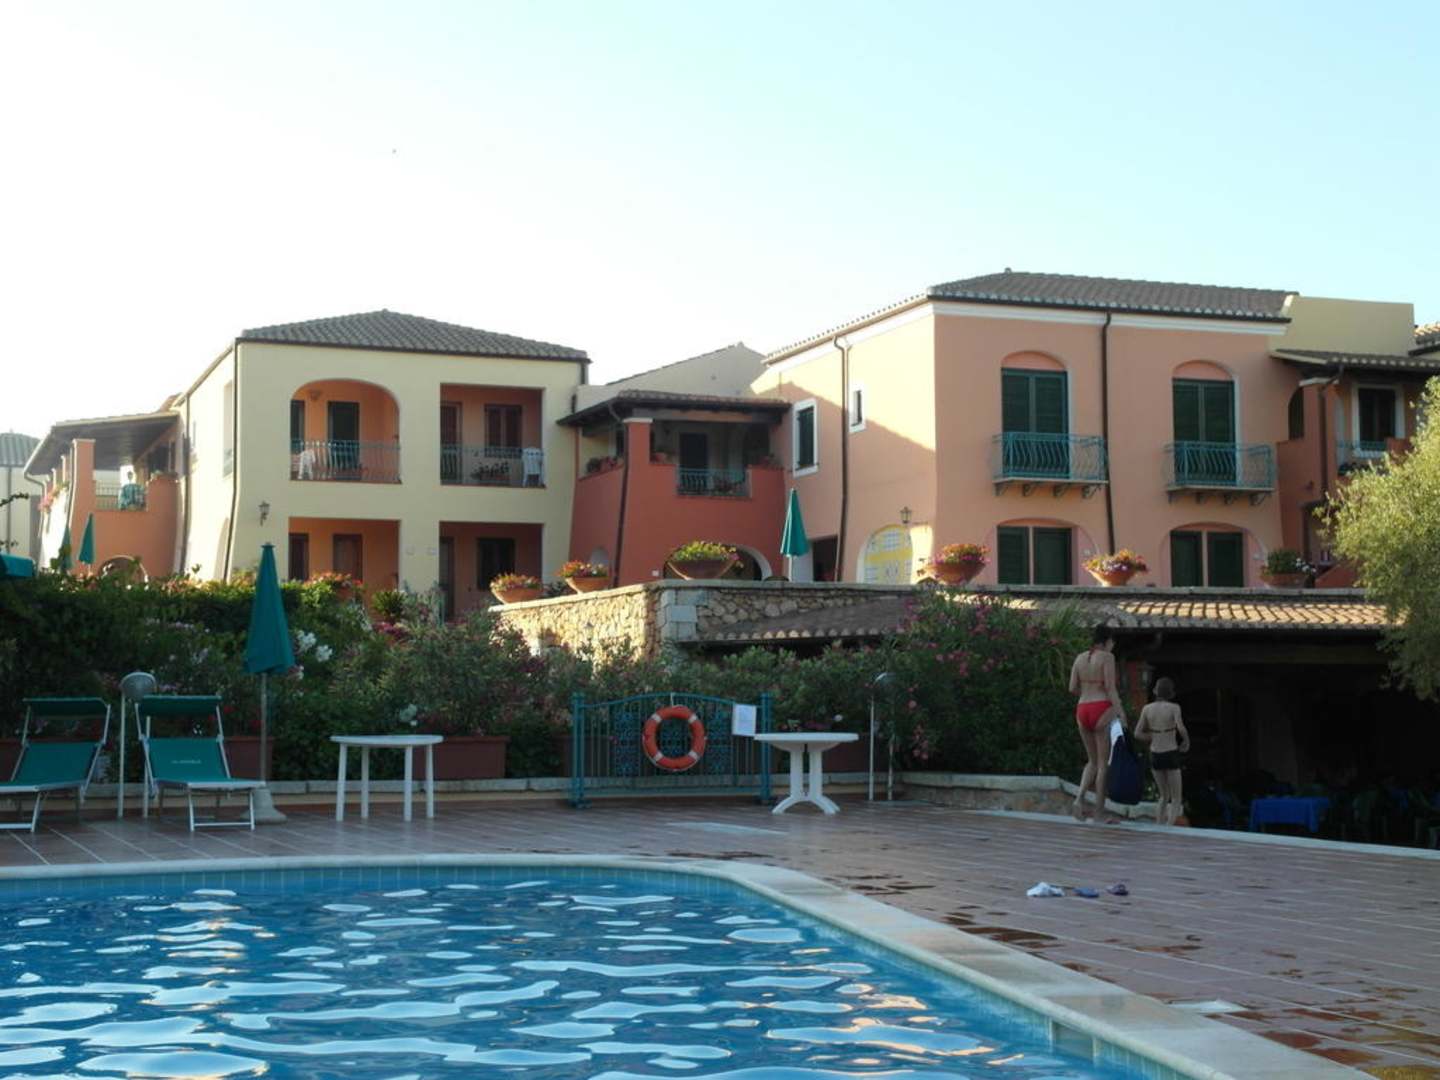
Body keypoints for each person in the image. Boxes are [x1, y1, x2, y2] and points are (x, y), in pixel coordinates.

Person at [1068, 625, 1123, 822]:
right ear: (1107, 641)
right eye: (1112, 642)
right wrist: (1121, 713)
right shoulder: (1107, 657)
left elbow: (1072, 688)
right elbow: (1110, 688)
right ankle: (1099, 813)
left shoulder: (1079, 658)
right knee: (1102, 764)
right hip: (1101, 707)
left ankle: (1078, 800)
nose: (1113, 646)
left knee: (1091, 761)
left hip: (1082, 708)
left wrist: (1086, 693)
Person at [1134, 676, 1190, 825]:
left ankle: (1159, 825)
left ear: (1155, 691)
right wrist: (1186, 741)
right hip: (1171, 753)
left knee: (1163, 796)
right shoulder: (1174, 708)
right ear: (1171, 693)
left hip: (1155, 754)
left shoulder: (1147, 709)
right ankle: (1169, 827)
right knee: (1176, 797)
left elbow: (1137, 733)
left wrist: (1152, 736)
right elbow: (1181, 727)